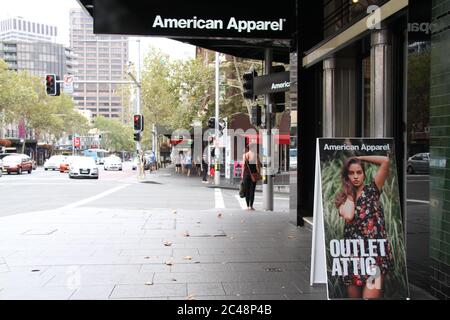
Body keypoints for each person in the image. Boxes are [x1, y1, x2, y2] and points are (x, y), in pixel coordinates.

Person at [334, 155, 394, 299]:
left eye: (359, 172)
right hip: (353, 256)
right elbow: (348, 215)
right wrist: (350, 193)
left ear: (364, 174)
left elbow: (385, 161)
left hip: (374, 254)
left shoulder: (373, 190)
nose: (355, 176)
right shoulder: (342, 198)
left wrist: (359, 157)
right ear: (346, 176)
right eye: (351, 173)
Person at [242, 144, 261, 211]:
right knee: (252, 190)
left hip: (246, 174)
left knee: (247, 190)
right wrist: (259, 173)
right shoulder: (256, 155)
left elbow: (243, 167)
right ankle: (251, 206)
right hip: (254, 174)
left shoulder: (245, 155)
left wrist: (242, 176)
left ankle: (247, 206)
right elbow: (257, 165)